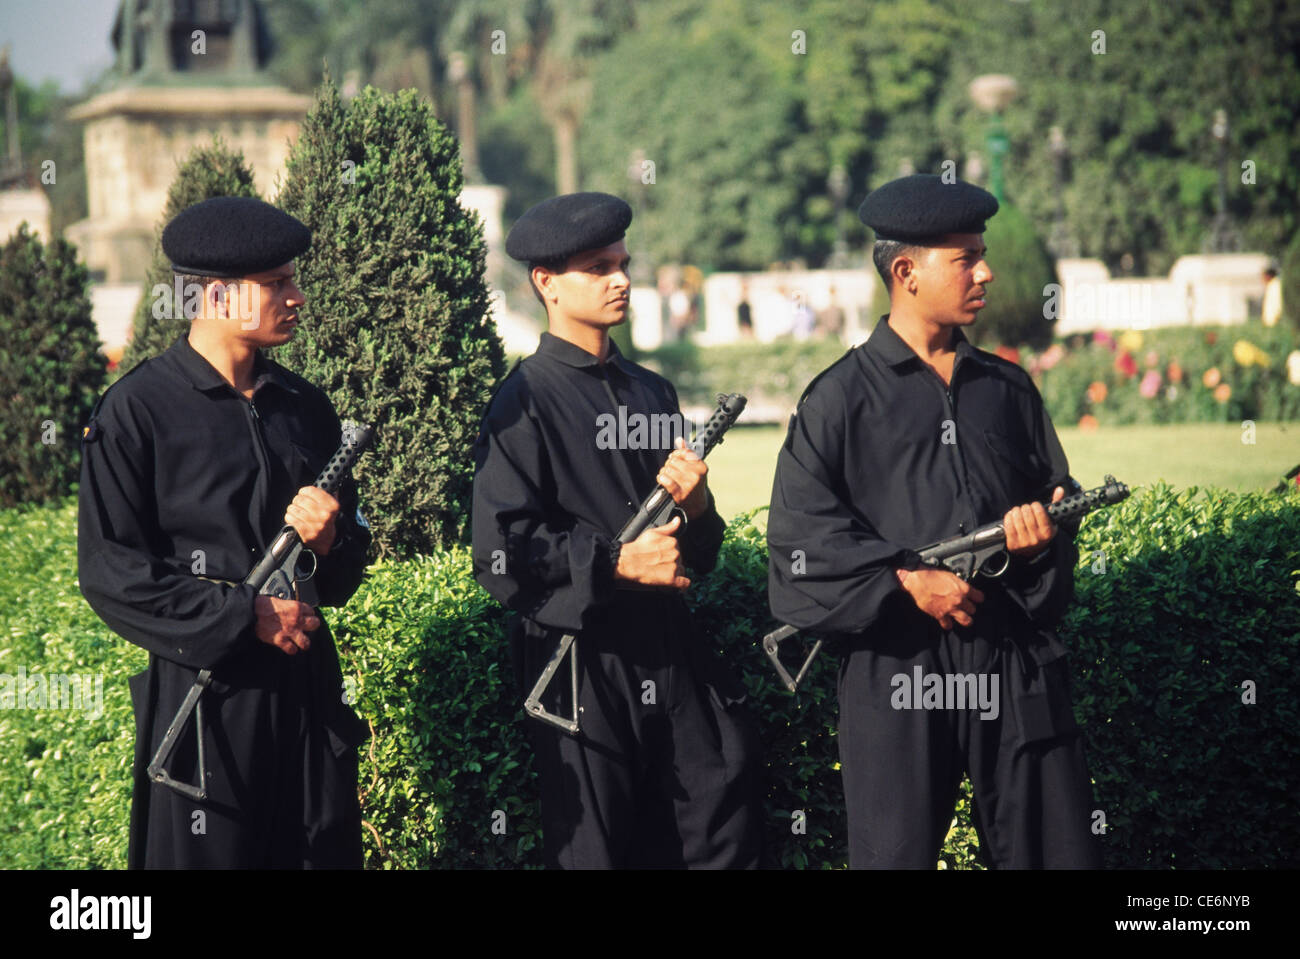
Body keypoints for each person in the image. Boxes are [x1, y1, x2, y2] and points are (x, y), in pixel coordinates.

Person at [767, 174, 1102, 869]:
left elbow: (1054, 541)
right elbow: (798, 553)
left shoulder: (1007, 390)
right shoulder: (836, 403)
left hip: (1010, 660)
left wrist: (1040, 544)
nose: (987, 271)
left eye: (982, 253)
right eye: (965, 258)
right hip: (895, 668)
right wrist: (904, 583)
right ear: (905, 271)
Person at [78, 196, 371, 868]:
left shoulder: (305, 408)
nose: (297, 297)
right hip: (205, 712)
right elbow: (112, 574)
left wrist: (330, 545)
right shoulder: (136, 412)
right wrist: (246, 616)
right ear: (216, 295)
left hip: (309, 707)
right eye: (277, 285)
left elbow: (348, 570)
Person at [472, 192, 762, 868]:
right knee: (599, 853)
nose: (621, 279)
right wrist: (614, 562)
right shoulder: (522, 402)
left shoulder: (652, 392)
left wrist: (697, 507)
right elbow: (499, 551)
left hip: (669, 649)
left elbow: (701, 553)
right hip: (579, 664)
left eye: (623, 263)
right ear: (546, 282)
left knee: (719, 819)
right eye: (598, 267)